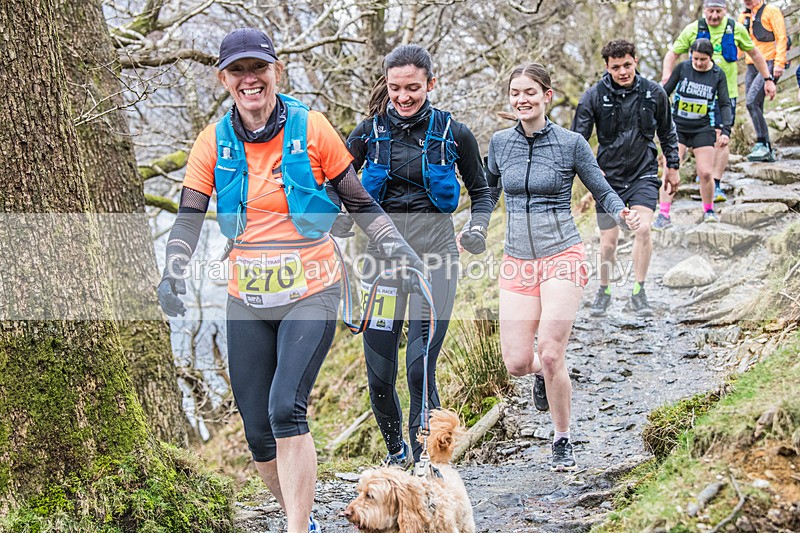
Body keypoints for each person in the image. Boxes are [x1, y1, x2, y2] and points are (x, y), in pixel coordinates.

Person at [156, 28, 427, 533]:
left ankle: (296, 529)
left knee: (286, 409)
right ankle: (299, 517)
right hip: (247, 298)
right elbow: (189, 218)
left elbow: (360, 203)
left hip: (313, 289)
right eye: (237, 70)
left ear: (276, 72)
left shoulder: (312, 128)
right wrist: (172, 271)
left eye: (258, 68)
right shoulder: (212, 142)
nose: (249, 79)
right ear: (224, 80)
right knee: (259, 432)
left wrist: (400, 250)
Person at [344, 44, 494, 466]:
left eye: (413, 87)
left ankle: (428, 462)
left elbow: (482, 192)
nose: (403, 96)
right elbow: (335, 182)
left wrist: (478, 227)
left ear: (431, 83)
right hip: (381, 266)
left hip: (436, 262)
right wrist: (336, 217)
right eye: (395, 88)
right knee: (380, 375)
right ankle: (397, 453)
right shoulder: (367, 134)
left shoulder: (454, 133)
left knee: (419, 367)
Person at [488, 63, 641, 471]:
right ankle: (540, 374)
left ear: (547, 95)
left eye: (530, 92)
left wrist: (622, 213)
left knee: (552, 352)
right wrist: (474, 226)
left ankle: (562, 437)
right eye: (515, 93)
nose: (522, 99)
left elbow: (601, 188)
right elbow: (487, 192)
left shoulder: (571, 144)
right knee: (518, 362)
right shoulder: (500, 143)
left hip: (562, 255)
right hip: (517, 259)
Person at [572, 39, 680, 317]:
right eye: (616, 67)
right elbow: (577, 141)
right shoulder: (593, 96)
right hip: (608, 180)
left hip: (644, 173)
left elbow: (667, 132)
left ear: (636, 62)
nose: (623, 72)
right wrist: (589, 171)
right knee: (608, 242)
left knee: (643, 230)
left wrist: (673, 166)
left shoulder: (653, 93)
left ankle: (638, 291)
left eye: (627, 65)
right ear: (607, 67)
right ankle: (604, 290)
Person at [662, 0, 776, 202]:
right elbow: (673, 53)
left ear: (724, 11)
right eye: (710, 11)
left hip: (725, 93)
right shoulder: (693, 29)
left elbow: (755, 53)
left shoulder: (735, 28)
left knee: (721, 138)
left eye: (718, 11)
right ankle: (702, 180)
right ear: (704, 10)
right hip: (697, 95)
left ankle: (716, 183)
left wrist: (768, 79)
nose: (714, 16)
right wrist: (667, 75)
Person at [653, 38, 733, 229]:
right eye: (695, 58)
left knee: (705, 173)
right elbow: (664, 93)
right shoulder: (683, 68)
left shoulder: (717, 74)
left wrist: (726, 130)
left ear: (710, 58)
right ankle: (663, 214)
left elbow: (724, 104)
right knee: (670, 169)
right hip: (677, 128)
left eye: (702, 59)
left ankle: (709, 210)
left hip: (702, 128)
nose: (698, 63)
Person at [739, 0, 789, 162]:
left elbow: (781, 37)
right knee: (755, 104)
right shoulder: (743, 17)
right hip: (750, 65)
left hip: (769, 62)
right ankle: (765, 146)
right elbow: (738, 44)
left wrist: (779, 63)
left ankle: (763, 144)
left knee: (751, 102)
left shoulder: (771, 11)